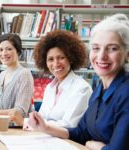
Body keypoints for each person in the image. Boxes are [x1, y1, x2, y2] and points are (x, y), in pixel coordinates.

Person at [28, 14, 129, 150]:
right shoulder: (99, 90)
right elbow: (81, 132)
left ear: (127, 54)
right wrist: (45, 127)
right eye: (96, 48)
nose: (101, 56)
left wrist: (96, 146)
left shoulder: (126, 93)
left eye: (113, 48)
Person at [23, 30, 92, 129]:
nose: (56, 64)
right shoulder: (49, 88)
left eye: (61, 58)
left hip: (68, 142)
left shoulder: (82, 88)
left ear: (71, 58)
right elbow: (42, 118)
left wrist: (36, 123)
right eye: (50, 59)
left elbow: (69, 125)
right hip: (45, 138)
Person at [0, 33, 34, 125]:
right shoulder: (2, 74)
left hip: (17, 129)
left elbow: (20, 111)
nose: (4, 53)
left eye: (9, 49)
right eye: (0, 50)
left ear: (18, 51)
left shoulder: (24, 74)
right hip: (2, 125)